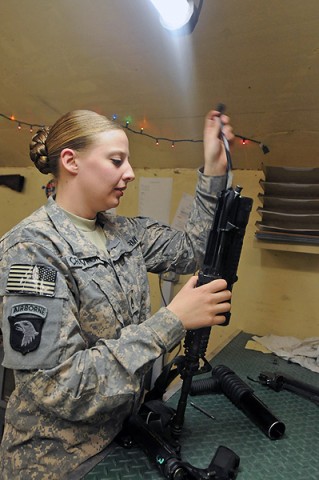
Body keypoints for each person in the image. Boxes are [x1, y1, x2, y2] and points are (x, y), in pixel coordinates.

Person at [0, 108, 234, 479]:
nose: (130, 173)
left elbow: (192, 251)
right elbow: (58, 387)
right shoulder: (32, 251)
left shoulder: (124, 233)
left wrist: (214, 171)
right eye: (116, 161)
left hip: (122, 434)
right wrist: (171, 321)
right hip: (60, 460)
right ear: (71, 161)